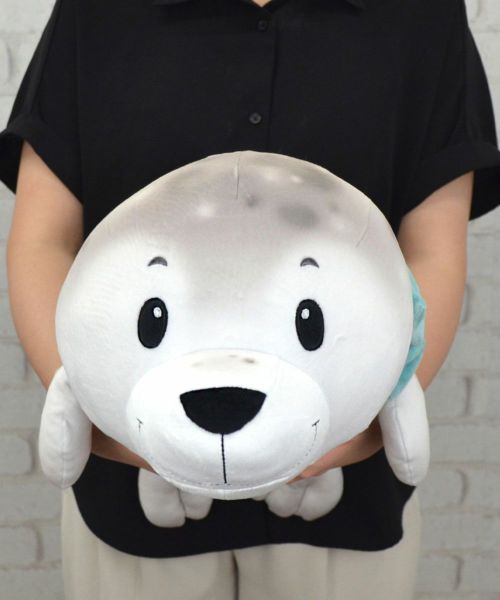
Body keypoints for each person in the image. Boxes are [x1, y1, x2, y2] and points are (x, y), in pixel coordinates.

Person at [1, 0, 499, 598]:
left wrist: (356, 428)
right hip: (130, 483)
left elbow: (431, 252)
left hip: (344, 490)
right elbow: (44, 240)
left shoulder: (422, 16)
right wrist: (110, 417)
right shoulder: (98, 12)